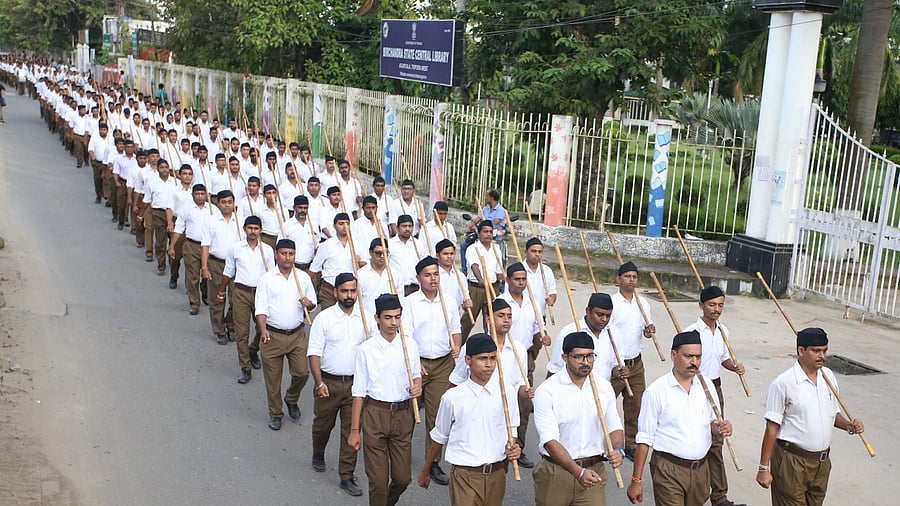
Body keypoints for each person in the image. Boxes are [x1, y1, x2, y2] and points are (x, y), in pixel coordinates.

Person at [756, 327, 864, 506]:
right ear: (801, 351)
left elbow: (832, 414)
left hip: (821, 464)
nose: (822, 356)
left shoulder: (828, 377)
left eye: (825, 350)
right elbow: (771, 429)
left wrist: (848, 426)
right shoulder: (784, 383)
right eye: (816, 351)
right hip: (792, 462)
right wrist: (763, 468)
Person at [627, 330, 733, 506]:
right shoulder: (656, 392)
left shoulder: (707, 386)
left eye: (698, 357)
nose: (694, 362)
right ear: (673, 355)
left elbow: (711, 423)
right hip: (668, 470)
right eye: (688, 356)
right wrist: (636, 480)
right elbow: (644, 438)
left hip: (700, 470)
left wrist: (720, 428)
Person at [417, 333, 522, 505]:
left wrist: (513, 447)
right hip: (465, 476)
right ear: (468, 360)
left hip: (497, 474)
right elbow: (439, 437)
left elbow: (512, 429)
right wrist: (426, 470)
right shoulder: (452, 397)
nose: (489, 365)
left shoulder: (507, 392)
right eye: (482, 359)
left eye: (493, 358)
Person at [533, 331, 625, 506]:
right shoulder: (547, 391)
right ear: (565, 357)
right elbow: (550, 441)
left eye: (590, 356)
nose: (586, 362)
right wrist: (578, 472)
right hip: (556, 473)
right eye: (579, 357)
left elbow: (614, 426)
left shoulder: (604, 387)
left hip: (593, 471)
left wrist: (618, 450)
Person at [348, 294, 423, 506]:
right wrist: (355, 431)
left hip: (403, 414)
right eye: (388, 317)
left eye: (397, 317)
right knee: (378, 482)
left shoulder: (410, 345)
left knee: (402, 478)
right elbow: (359, 392)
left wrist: (417, 386)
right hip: (375, 414)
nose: (393, 322)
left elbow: (416, 375)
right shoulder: (366, 349)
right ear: (377, 318)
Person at [308, 273, 373, 497]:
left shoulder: (367, 320)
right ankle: (318, 451)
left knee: (352, 430)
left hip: (356, 386)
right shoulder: (324, 319)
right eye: (344, 291)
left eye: (353, 291)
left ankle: (347, 475)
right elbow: (314, 353)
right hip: (329, 383)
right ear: (336, 292)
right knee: (322, 426)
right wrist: (319, 383)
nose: (349, 295)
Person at [682, 286, 746, 506]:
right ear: (701, 305)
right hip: (695, 388)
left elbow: (723, 358)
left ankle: (719, 497)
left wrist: (734, 367)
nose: (716, 309)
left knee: (717, 440)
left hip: (715, 388)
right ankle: (689, 488)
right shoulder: (691, 333)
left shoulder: (723, 331)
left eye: (720, 305)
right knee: (696, 436)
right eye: (711, 305)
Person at [401, 256, 462, 486]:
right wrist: (414, 362)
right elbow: (406, 335)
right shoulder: (409, 303)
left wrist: (457, 346)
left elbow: (455, 330)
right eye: (427, 275)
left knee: (437, 415)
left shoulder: (449, 301)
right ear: (418, 278)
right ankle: (400, 455)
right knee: (407, 412)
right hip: (417, 363)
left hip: (442, 364)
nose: (433, 279)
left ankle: (433, 462)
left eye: (436, 274)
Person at [254, 239, 316, 430]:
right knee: (273, 380)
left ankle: (291, 398)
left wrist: (308, 304)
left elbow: (313, 302)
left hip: (297, 334)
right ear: (276, 255)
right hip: (273, 335)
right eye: (284, 253)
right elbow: (261, 308)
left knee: (302, 373)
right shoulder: (267, 279)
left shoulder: (303, 278)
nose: (288, 258)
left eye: (291, 254)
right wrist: (263, 330)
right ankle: (275, 413)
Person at [501, 262, 550, 468]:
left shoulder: (533, 302)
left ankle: (518, 446)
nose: (521, 283)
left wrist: (543, 336)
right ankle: (500, 444)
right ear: (508, 280)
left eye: (524, 279)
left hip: (525, 357)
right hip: (504, 355)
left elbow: (539, 327)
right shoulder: (500, 303)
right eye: (517, 279)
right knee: (502, 402)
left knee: (523, 402)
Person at [220, 216, 274, 384]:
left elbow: (272, 275)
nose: (253, 231)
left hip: (261, 293)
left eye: (256, 228)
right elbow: (228, 271)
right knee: (241, 332)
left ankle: (253, 350)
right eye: (250, 228)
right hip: (241, 292)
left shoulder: (267, 250)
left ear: (260, 230)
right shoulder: (236, 248)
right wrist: (221, 291)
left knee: (262, 328)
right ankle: (245, 367)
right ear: (244, 229)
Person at [609, 261, 655, 460]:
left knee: (635, 405)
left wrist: (649, 331)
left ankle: (631, 444)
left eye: (634, 277)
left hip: (635, 364)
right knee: (604, 403)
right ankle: (599, 441)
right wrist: (614, 365)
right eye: (627, 276)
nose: (631, 280)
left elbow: (645, 331)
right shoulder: (611, 303)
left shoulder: (642, 303)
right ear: (618, 279)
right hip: (614, 364)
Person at [201, 190, 243, 345]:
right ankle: (219, 330)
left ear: (234, 203)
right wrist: (204, 267)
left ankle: (231, 324)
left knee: (237, 299)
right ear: (218, 203)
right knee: (217, 298)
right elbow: (205, 245)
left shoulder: (241, 221)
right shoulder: (211, 221)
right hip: (216, 263)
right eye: (224, 202)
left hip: (237, 264)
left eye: (230, 202)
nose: (227, 205)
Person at [169, 183, 213, 315]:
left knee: (207, 274)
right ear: (192, 195)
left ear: (206, 195)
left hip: (209, 247)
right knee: (192, 275)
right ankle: (194, 303)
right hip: (191, 245)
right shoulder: (186, 209)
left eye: (202, 194)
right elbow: (178, 228)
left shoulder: (213, 210)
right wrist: (172, 246)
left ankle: (205, 293)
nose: (200, 196)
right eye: (197, 194)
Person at [461, 220, 505, 341]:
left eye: (490, 232)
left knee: (492, 320)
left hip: (492, 288)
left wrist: (505, 280)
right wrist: (481, 279)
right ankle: (458, 345)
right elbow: (474, 266)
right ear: (479, 233)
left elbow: (499, 272)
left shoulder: (496, 249)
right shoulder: (472, 249)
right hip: (477, 288)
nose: (488, 234)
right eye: (485, 232)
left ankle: (492, 345)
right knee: (468, 320)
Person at [310, 213, 358, 309]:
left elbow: (366, 265)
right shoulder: (326, 245)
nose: (344, 227)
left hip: (349, 289)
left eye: (347, 223)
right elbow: (313, 269)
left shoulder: (356, 244)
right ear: (334, 226)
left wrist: (359, 262)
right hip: (329, 290)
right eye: (341, 224)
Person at [387, 215, 423, 296]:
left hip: (415, 287)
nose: (407, 229)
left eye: (410, 226)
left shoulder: (418, 244)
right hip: (396, 287)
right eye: (404, 226)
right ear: (397, 227)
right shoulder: (390, 244)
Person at [523, 238, 557, 321]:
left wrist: (551, 299)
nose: (537, 254)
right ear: (526, 252)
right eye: (533, 251)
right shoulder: (518, 270)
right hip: (522, 317)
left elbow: (552, 292)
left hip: (541, 317)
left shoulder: (547, 271)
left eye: (540, 252)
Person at [358, 239, 393, 315]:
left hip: (389, 319)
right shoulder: (360, 275)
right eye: (378, 253)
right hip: (367, 317)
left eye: (385, 253)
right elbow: (357, 301)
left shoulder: (395, 275)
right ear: (370, 252)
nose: (382, 256)